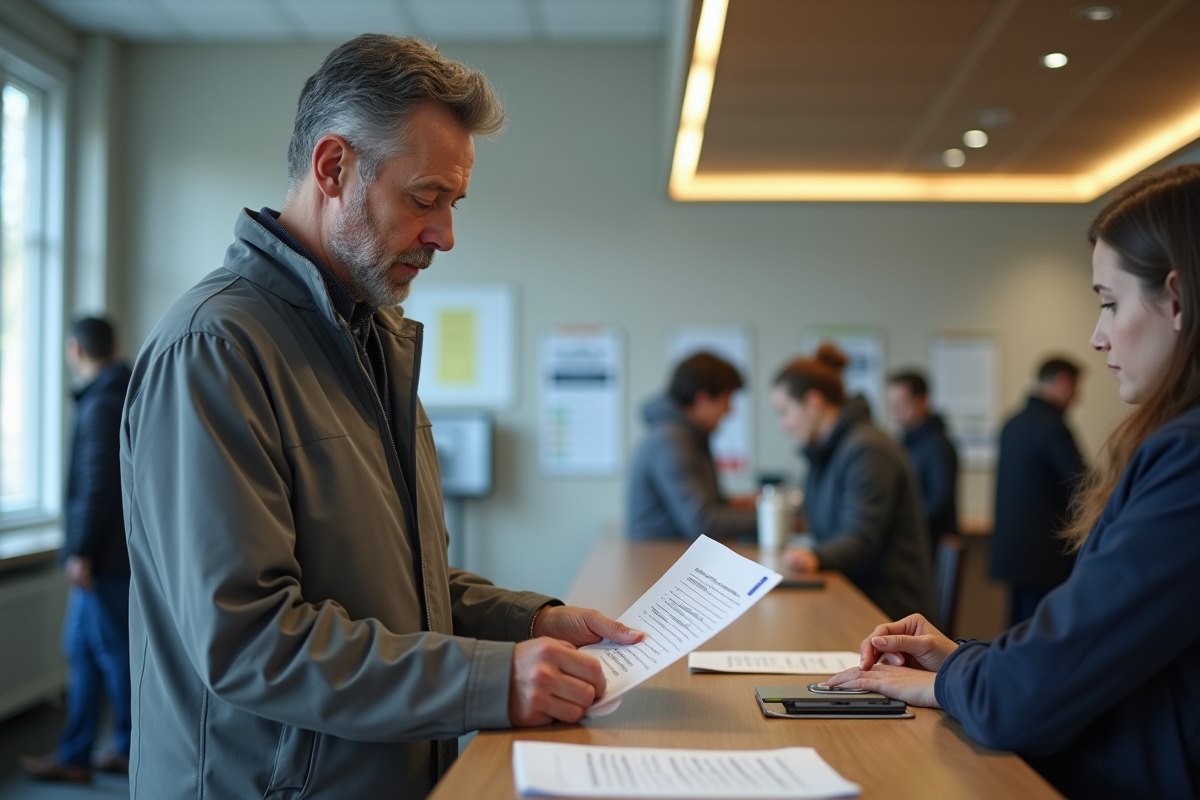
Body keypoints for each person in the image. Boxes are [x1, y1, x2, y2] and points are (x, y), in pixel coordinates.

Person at [120, 36, 642, 799]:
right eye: (425, 198)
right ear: (334, 169)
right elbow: (249, 639)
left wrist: (530, 625)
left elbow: (403, 586)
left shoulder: (367, 340)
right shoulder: (216, 346)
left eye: (453, 204)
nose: (445, 235)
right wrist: (491, 680)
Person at [823, 163, 1200, 800]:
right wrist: (961, 659)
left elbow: (1025, 699)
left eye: (1109, 303)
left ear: (1176, 299)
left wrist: (953, 678)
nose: (1097, 336)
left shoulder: (1187, 458)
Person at [20, 317, 132, 783]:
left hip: (101, 559)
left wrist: (81, 551)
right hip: (108, 555)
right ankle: (77, 755)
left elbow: (97, 485)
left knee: (115, 654)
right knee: (84, 650)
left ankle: (130, 748)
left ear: (74, 350)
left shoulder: (101, 403)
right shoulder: (117, 393)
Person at [773, 344, 935, 621]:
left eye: (784, 411)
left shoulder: (867, 450)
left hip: (887, 610)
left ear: (813, 403)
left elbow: (861, 536)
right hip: (853, 595)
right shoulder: (828, 452)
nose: (784, 424)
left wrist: (817, 556)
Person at [990, 357, 1085, 625]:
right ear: (1063, 382)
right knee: (1043, 633)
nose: (1078, 397)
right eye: (1077, 388)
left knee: (1016, 631)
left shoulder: (1012, 423)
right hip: (1047, 558)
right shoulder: (1053, 427)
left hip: (1015, 554)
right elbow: (1080, 485)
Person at [628, 352, 756, 540]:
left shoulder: (688, 435)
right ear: (702, 398)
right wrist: (773, 518)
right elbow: (702, 522)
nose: (729, 410)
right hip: (662, 562)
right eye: (727, 399)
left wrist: (746, 503)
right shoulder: (670, 441)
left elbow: (708, 505)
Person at [886, 370, 959, 551]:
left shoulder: (938, 445)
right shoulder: (904, 443)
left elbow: (939, 502)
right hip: (913, 542)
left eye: (901, 403)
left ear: (922, 401)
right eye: (892, 404)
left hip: (932, 545)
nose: (896, 411)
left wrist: (901, 521)